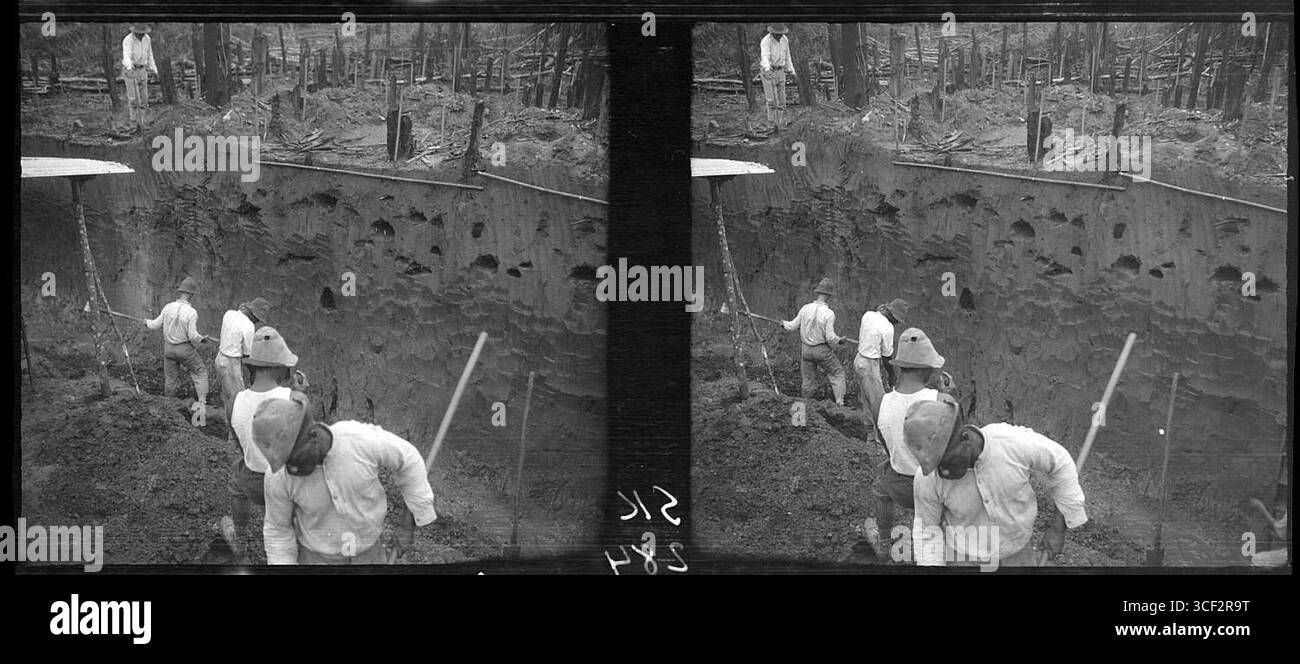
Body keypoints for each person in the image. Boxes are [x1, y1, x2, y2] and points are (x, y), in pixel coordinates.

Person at [905, 393, 1088, 568]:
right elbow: (927, 532)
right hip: (964, 558)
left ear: (965, 439)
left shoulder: (1011, 443)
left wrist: (1058, 527)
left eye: (946, 461)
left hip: (1018, 554)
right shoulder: (927, 479)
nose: (942, 471)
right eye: (936, 466)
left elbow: (1061, 462)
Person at [254, 392, 438, 565]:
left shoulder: (359, 440)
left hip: (369, 556)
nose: (291, 467)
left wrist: (407, 526)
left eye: (294, 457)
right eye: (285, 462)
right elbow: (278, 531)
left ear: (313, 435)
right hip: (316, 560)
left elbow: (409, 459)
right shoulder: (279, 476)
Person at [863, 327, 944, 562]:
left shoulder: (883, 403)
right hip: (933, 490)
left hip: (901, 487)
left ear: (900, 367)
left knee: (881, 484)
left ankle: (885, 542)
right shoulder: (939, 400)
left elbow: (889, 448)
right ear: (928, 369)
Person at [220, 327, 297, 563]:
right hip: (284, 484)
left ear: (251, 367)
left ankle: (241, 542)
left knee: (237, 479)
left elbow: (242, 449)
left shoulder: (235, 401)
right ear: (280, 367)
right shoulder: (292, 398)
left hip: (253, 480)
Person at [144, 276, 210, 408]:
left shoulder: (168, 307)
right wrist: (202, 339)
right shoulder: (191, 312)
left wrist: (146, 322)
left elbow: (155, 325)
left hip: (168, 349)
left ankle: (168, 405)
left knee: (170, 379)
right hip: (184, 349)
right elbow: (192, 335)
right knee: (200, 372)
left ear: (181, 292)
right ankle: (202, 403)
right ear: (191, 294)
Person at [782, 277, 849, 406]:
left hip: (806, 350)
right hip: (821, 350)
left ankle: (804, 406)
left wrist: (783, 323)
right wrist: (839, 341)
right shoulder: (829, 313)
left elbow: (791, 326)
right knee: (837, 373)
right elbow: (830, 337)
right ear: (829, 295)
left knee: (807, 381)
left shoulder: (805, 308)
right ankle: (840, 403)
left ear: (818, 292)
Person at [854, 297, 910, 442]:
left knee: (867, 400)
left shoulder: (868, 315)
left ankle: (870, 437)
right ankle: (880, 445)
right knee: (879, 405)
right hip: (869, 365)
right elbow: (887, 357)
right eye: (897, 320)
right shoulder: (887, 328)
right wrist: (892, 375)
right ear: (892, 316)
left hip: (859, 360)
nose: (897, 323)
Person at [216, 298, 271, 424]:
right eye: (257, 319)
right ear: (253, 315)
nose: (257, 322)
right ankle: (238, 431)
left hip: (219, 359)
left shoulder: (229, 314)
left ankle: (229, 426)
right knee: (239, 401)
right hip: (231, 363)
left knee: (227, 396)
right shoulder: (249, 326)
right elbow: (247, 354)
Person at [121, 23, 157, 126]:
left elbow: (150, 55)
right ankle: (134, 122)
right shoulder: (128, 40)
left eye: (143, 33)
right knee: (134, 99)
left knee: (144, 99)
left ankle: (143, 122)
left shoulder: (147, 39)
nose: (141, 35)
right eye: (139, 33)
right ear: (135, 31)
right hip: (131, 69)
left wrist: (154, 70)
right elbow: (126, 55)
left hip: (142, 69)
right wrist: (129, 67)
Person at [759, 23, 792, 132]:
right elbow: (765, 56)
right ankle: (771, 124)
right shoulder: (766, 41)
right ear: (772, 32)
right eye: (777, 34)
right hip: (769, 70)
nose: (779, 36)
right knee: (771, 100)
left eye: (781, 34)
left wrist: (792, 71)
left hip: (780, 70)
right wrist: (768, 70)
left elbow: (788, 57)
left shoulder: (785, 40)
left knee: (782, 99)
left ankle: (781, 123)